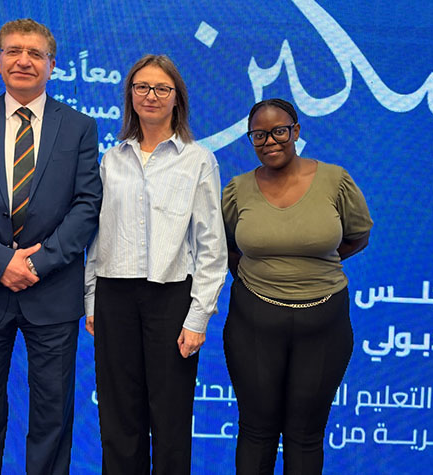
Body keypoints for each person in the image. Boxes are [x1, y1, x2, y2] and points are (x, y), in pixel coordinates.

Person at [0, 18, 102, 475]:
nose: (23, 60)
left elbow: (88, 204)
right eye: (12, 51)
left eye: (34, 53)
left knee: (52, 417)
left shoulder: (80, 127)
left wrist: (39, 263)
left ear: (52, 64)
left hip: (51, 293)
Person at [85, 54, 228, 474]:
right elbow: (96, 238)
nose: (151, 95)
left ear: (177, 99)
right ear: (130, 95)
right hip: (114, 296)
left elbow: (211, 248)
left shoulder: (198, 160)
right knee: (118, 419)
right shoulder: (110, 160)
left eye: (161, 88)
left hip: (171, 301)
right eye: (142, 87)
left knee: (170, 419)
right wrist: (92, 300)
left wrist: (198, 317)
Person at [221, 97, 372, 474]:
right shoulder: (237, 189)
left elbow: (357, 236)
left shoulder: (335, 180)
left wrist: (311, 263)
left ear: (296, 131)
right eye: (259, 135)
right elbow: (223, 246)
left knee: (305, 435)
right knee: (256, 430)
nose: (270, 141)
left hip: (325, 324)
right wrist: (264, 275)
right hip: (252, 323)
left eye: (279, 131)